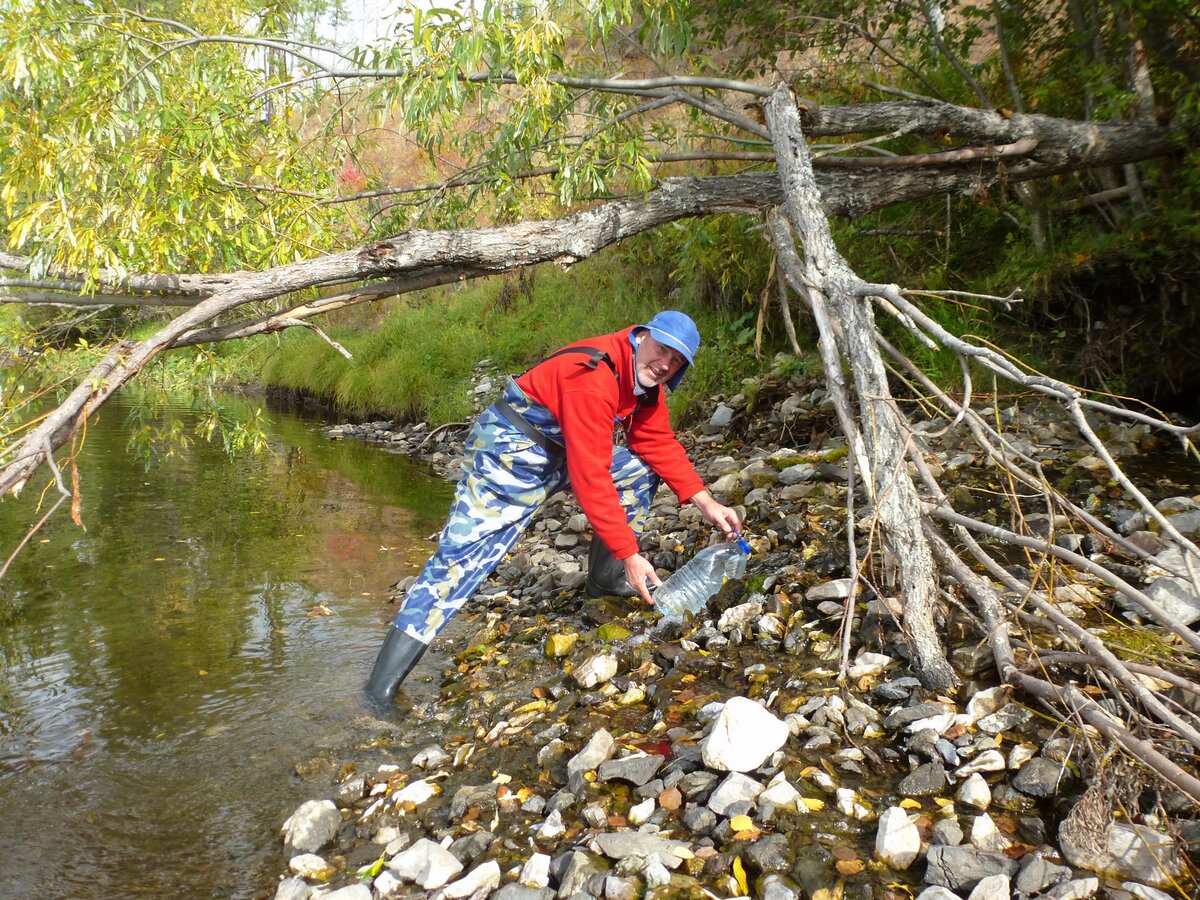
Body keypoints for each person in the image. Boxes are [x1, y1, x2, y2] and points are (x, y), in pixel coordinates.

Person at [364, 310, 742, 707]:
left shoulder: (641, 381)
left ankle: (604, 581)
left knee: (637, 470)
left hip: (560, 451)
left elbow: (656, 442)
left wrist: (706, 501)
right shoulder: (594, 377)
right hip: (509, 455)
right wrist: (632, 554)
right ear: (641, 336)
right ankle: (380, 690)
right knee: (458, 565)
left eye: (677, 360)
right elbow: (590, 476)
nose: (665, 364)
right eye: (662, 349)